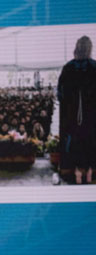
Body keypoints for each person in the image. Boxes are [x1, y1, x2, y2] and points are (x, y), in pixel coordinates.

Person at [57, 36, 96, 184]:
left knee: (73, 142)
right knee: (90, 141)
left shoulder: (68, 68)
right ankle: (89, 171)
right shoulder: (94, 67)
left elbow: (60, 94)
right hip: (92, 117)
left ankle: (76, 171)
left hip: (71, 116)